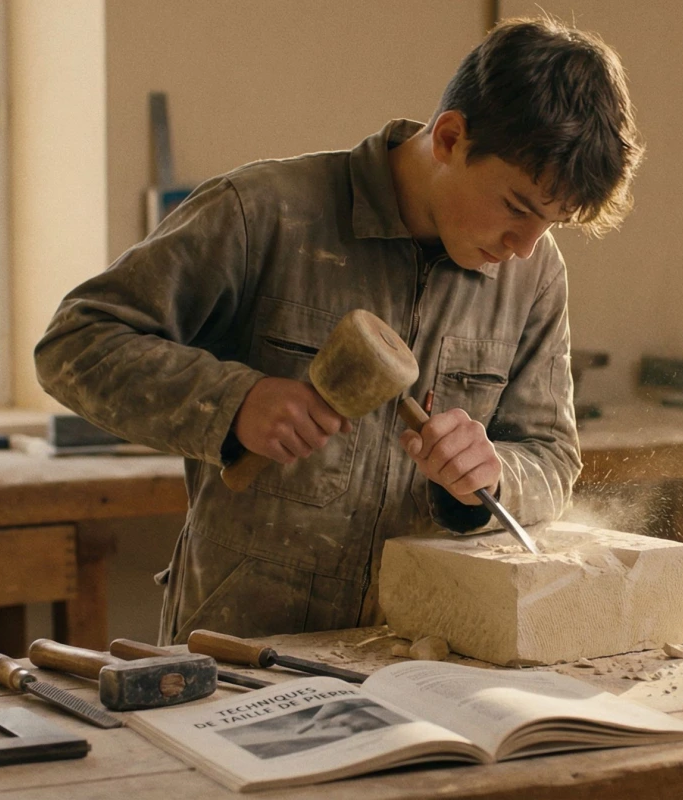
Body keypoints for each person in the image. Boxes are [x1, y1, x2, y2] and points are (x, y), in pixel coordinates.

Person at [35, 16, 642, 644]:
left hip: (423, 656)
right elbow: (75, 343)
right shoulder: (264, 213)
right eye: (516, 207)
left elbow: (550, 457)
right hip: (239, 651)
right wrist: (234, 403)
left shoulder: (534, 275)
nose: (523, 248)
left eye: (552, 225)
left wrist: (490, 479)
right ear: (451, 138)